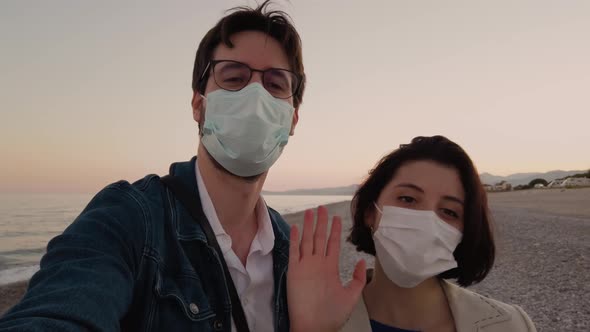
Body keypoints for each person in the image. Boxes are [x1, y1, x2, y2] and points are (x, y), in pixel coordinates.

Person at [0, 1, 364, 331]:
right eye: (234, 78)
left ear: (293, 119)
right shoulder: (130, 218)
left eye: (275, 84)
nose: (255, 97)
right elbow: (57, 312)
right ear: (198, 104)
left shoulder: (293, 254)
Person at [333, 135, 536, 331]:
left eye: (449, 212)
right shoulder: (320, 320)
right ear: (370, 211)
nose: (426, 219)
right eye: (407, 199)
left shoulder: (511, 325)